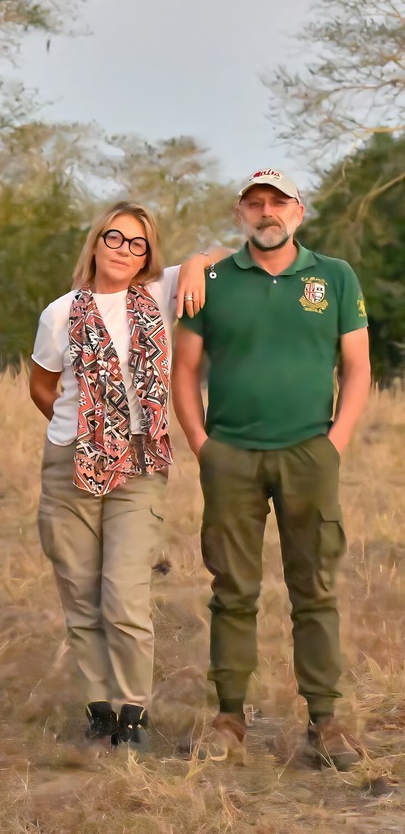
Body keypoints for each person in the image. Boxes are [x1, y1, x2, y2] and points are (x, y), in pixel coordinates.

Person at [173, 169, 372, 770]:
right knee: (232, 589)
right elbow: (184, 370)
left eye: (277, 203)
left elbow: (357, 368)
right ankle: (229, 715)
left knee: (314, 587)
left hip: (309, 450)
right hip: (230, 452)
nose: (266, 213)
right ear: (241, 214)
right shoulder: (211, 279)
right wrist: (201, 441)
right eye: (254, 204)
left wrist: (335, 441)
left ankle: (326, 720)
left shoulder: (333, 277)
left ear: (298, 212)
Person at [29, 205, 220, 752]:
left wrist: (197, 261)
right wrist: (87, 432)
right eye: (114, 237)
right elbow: (44, 388)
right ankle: (99, 708)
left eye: (137, 244)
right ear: (96, 242)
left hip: (139, 468)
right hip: (72, 465)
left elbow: (227, 257)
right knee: (81, 592)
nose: (123, 249)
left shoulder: (159, 294)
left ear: (148, 255)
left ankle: (134, 711)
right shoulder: (59, 314)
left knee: (124, 595)